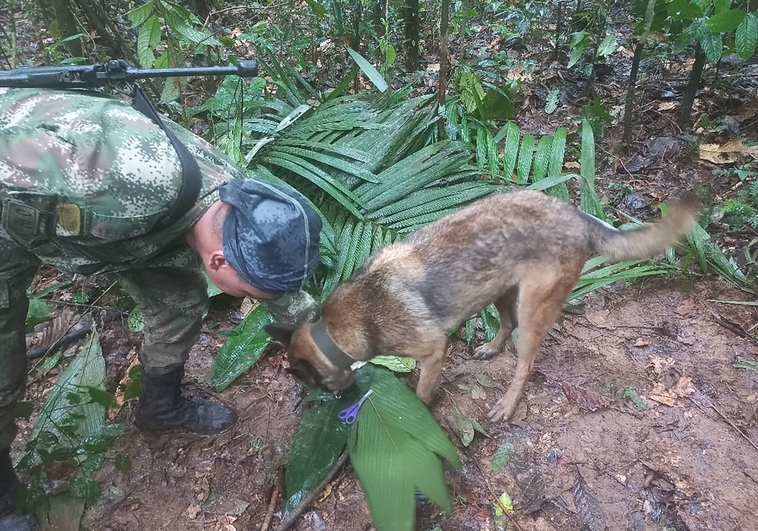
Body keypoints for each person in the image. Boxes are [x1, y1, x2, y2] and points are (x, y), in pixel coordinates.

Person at [0, 87, 321, 529]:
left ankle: (159, 407)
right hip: (13, 209)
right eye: (250, 293)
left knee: (181, 300)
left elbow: (278, 290)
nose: (253, 300)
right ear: (219, 261)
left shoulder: (238, 206)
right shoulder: (115, 184)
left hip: (113, 229)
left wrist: (330, 347)